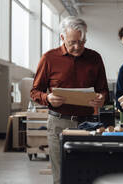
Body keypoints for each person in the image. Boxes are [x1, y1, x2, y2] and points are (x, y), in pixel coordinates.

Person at [30, 16, 109, 184]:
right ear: (62, 37)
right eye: (72, 42)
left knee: (88, 174)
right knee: (61, 176)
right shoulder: (49, 58)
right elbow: (34, 91)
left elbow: (103, 90)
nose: (78, 47)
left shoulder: (95, 58)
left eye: (82, 42)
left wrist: (101, 98)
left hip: (88, 124)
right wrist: (48, 98)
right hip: (59, 124)